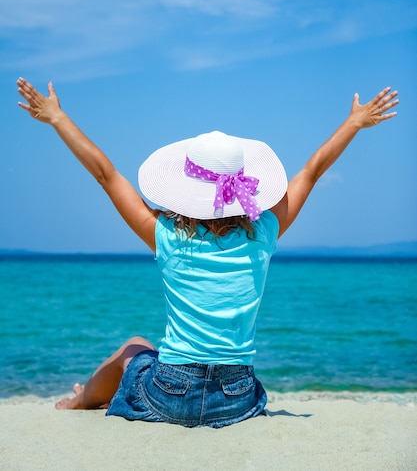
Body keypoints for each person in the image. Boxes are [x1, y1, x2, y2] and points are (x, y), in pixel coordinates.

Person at [16, 77, 398, 428]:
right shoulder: (264, 232)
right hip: (236, 400)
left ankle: (83, 401)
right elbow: (312, 171)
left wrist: (57, 118)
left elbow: (106, 174)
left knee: (134, 347)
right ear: (243, 185)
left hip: (169, 395)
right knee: (155, 355)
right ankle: (88, 399)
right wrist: (354, 123)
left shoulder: (164, 235)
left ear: (183, 186)